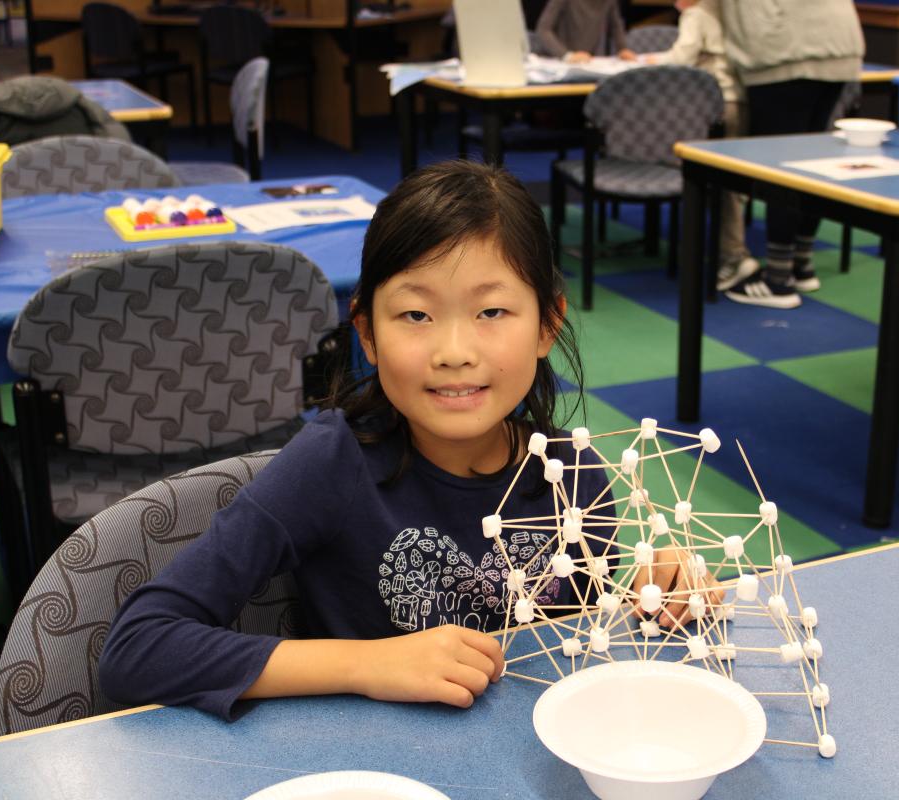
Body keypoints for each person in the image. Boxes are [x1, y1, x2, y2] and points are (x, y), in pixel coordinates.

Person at [98, 161, 711, 719]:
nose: (453, 353)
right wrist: (368, 664)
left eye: (492, 312)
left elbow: (577, 651)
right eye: (415, 315)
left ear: (548, 324)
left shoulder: (571, 473)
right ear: (366, 334)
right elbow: (138, 647)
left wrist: (655, 593)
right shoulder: (332, 464)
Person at [719, 0, 864, 309]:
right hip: (838, 40)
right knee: (810, 164)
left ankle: (778, 279)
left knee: (781, 167)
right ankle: (800, 264)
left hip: (784, 47)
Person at [643, 0, 755, 290]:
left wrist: (651, 61)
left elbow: (681, 59)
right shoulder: (733, 12)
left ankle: (734, 255)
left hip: (713, 105)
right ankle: (731, 251)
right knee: (730, 179)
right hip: (740, 100)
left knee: (720, 183)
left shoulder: (696, 14)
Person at [536, 0, 637, 63]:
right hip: (557, 62)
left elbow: (616, 25)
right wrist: (567, 55)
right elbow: (543, 29)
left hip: (588, 62)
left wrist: (623, 48)